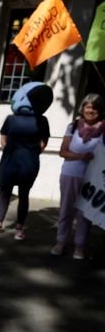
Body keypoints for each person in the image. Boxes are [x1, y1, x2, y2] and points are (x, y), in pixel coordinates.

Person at [0, 82, 52, 241]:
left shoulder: (42, 121)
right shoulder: (11, 119)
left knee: (24, 194)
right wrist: (13, 152)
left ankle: (19, 228)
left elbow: (43, 142)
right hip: (10, 161)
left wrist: (29, 154)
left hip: (28, 163)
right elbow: (3, 139)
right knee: (4, 193)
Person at [51, 93, 105, 259]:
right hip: (70, 173)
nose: (91, 110)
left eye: (95, 107)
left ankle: (79, 246)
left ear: (100, 110)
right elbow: (63, 152)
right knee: (66, 210)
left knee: (85, 214)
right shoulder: (72, 126)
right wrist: (81, 157)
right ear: (82, 108)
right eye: (88, 106)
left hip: (93, 178)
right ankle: (61, 241)